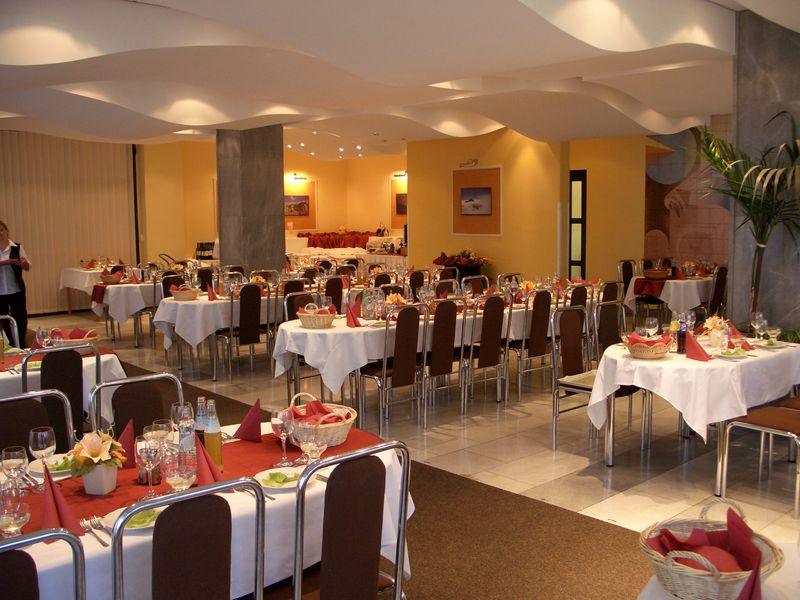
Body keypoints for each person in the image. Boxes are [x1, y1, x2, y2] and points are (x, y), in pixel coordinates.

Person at [0, 221, 30, 347]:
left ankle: (21, 342)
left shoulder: (17, 247)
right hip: (1, 291)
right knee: (3, 318)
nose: (0, 233)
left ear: (7, 231)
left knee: (20, 317)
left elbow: (27, 267)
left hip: (16, 288)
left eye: (1, 230)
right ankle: (10, 343)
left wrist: (23, 263)